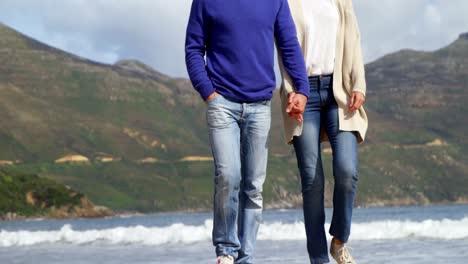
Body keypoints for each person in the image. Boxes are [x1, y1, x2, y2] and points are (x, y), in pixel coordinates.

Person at [185, 0, 310, 263]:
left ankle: (246, 257)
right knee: (228, 175)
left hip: (260, 105)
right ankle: (226, 251)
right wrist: (208, 92)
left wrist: (302, 88)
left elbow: (288, 44)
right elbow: (194, 48)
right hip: (222, 103)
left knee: (253, 186)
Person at [279, 0, 368, 263]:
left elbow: (354, 38)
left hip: (338, 90)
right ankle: (318, 259)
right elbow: (284, 50)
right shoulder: (287, 3)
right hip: (303, 93)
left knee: (347, 170)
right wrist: (291, 91)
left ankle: (339, 241)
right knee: (312, 181)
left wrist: (359, 84)